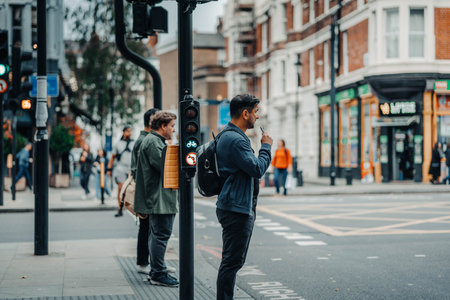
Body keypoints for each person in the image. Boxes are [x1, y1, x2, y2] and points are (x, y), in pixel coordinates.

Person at [215, 94, 273, 300]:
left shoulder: (228, 135)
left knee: (232, 261)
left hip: (234, 204)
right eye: (256, 112)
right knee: (232, 262)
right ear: (245, 113)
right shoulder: (236, 139)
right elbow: (257, 169)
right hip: (236, 208)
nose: (257, 117)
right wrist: (266, 146)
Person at [134, 111, 179, 287]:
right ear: (163, 126)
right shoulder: (153, 143)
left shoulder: (155, 141)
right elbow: (167, 168)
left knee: (157, 235)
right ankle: (158, 273)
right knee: (160, 235)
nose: (173, 130)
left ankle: (157, 270)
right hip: (159, 199)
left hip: (159, 198)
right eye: (172, 126)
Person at [107, 126, 135, 217]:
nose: (129, 133)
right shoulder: (118, 144)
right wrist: (109, 169)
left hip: (130, 169)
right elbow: (112, 157)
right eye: (127, 131)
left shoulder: (134, 143)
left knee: (131, 190)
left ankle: (131, 207)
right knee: (121, 188)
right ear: (123, 132)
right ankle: (120, 209)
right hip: (120, 169)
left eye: (130, 131)